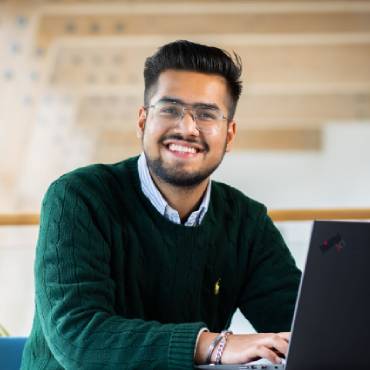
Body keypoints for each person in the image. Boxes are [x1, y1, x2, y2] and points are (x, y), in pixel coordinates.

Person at [21, 40, 301, 370]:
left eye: (207, 114)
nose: (186, 128)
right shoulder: (78, 198)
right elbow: (78, 338)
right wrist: (215, 344)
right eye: (169, 109)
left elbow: (304, 326)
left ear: (229, 135)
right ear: (142, 120)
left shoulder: (246, 222)